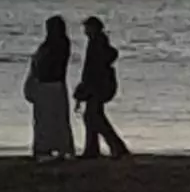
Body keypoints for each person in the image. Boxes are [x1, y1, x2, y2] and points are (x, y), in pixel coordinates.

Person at [76, 14, 130, 159]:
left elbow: (93, 68)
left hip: (97, 86)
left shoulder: (97, 43)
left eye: (87, 27)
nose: (85, 30)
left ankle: (115, 147)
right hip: (97, 85)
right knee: (92, 117)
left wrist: (86, 86)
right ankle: (93, 149)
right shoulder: (97, 42)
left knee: (94, 118)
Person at [25, 16, 74, 159]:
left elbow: (44, 63)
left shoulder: (55, 45)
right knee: (53, 118)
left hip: (49, 84)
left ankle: (48, 147)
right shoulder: (60, 44)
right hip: (53, 85)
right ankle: (55, 147)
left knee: (48, 118)